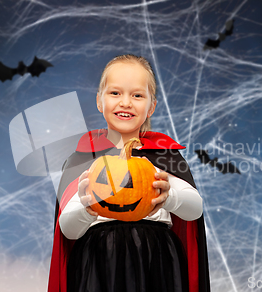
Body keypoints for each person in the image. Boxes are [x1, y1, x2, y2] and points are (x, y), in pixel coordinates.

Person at [47, 54, 211, 292]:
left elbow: (195, 209)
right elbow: (67, 229)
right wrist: (87, 207)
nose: (125, 102)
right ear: (99, 102)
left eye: (137, 95)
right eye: (115, 93)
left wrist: (169, 196)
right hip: (98, 262)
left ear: (151, 106)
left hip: (156, 259)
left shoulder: (165, 157)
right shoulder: (82, 160)